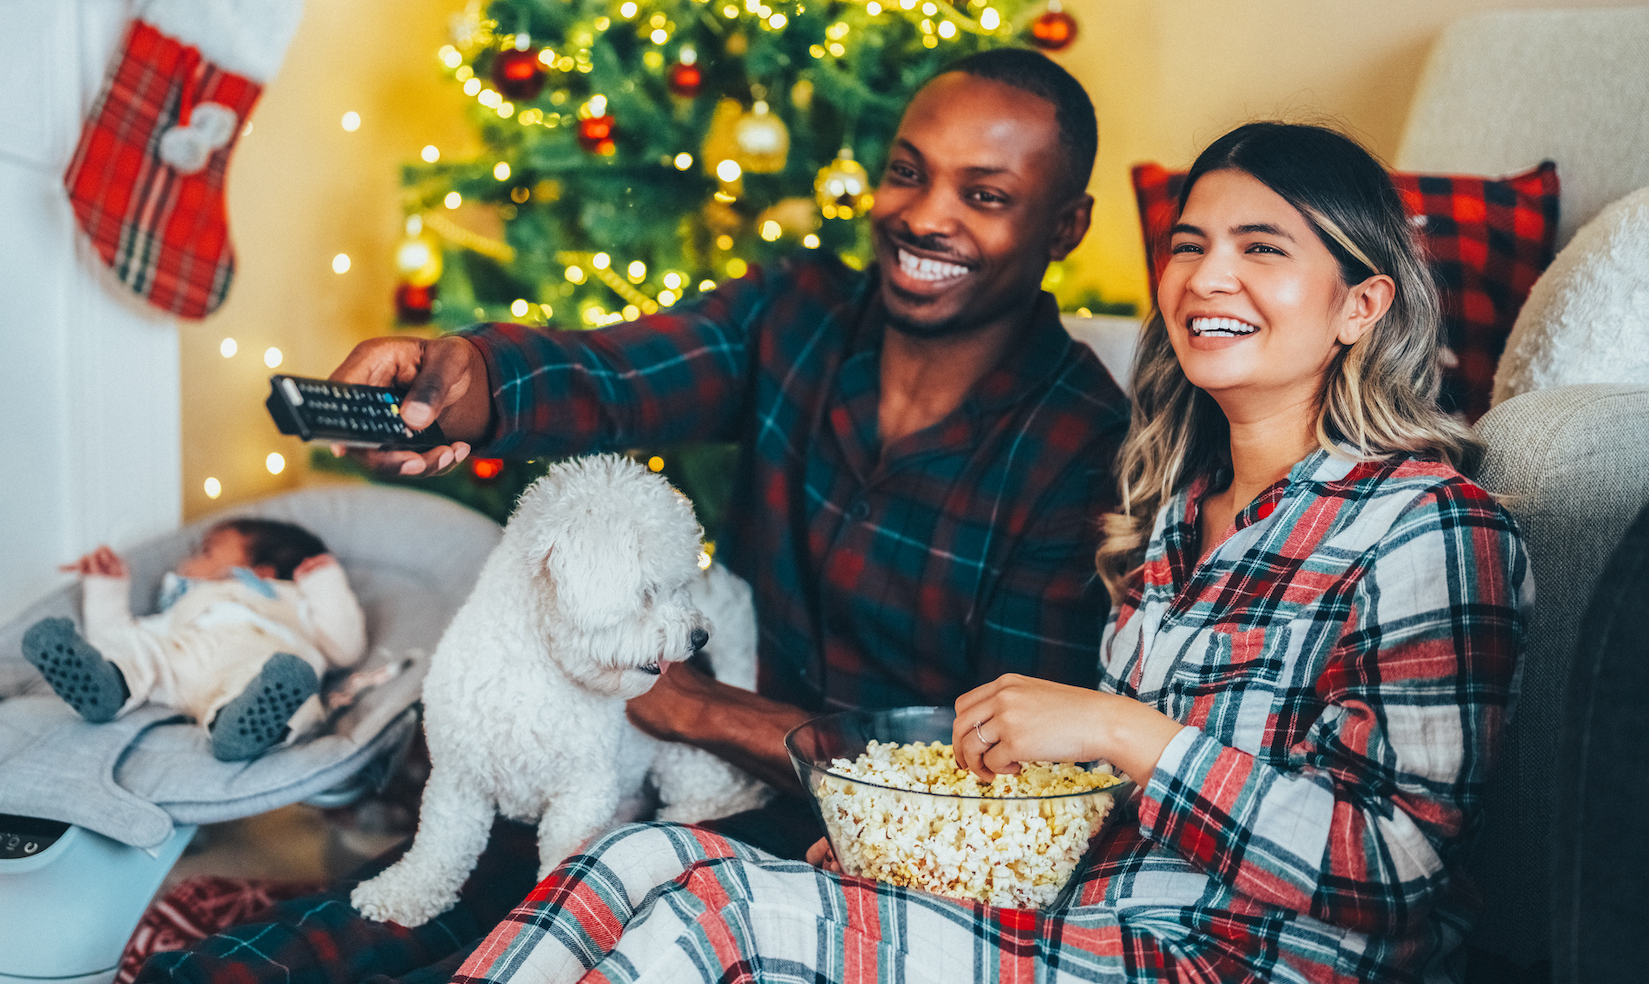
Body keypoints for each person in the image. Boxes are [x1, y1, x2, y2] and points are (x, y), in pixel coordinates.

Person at [133, 49, 1129, 984]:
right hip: (640, 756)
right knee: (340, 935)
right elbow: (612, 376)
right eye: (908, 173)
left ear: (1064, 227)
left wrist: (704, 709)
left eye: (985, 196)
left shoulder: (1081, 445)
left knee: (517, 955)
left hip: (838, 856)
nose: (924, 217)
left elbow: (1002, 778)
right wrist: (463, 378)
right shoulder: (801, 313)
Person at [449, 122, 1529, 984]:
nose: (1207, 278)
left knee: (718, 924)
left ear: (1360, 304)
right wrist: (926, 859)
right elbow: (1121, 830)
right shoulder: (1172, 513)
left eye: (1263, 249)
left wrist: (1126, 731)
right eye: (1191, 244)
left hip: (1247, 961)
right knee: (632, 862)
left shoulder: (1427, 526)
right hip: (1092, 920)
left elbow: (1398, 871)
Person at [23, 518, 366, 761]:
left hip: (262, 662)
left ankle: (237, 726)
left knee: (292, 686)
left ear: (263, 571)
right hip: (183, 650)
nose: (187, 561)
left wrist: (324, 580)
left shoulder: (291, 599)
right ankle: (106, 688)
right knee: (140, 651)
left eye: (206, 551)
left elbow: (345, 648)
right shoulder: (186, 602)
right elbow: (119, 637)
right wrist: (106, 587)